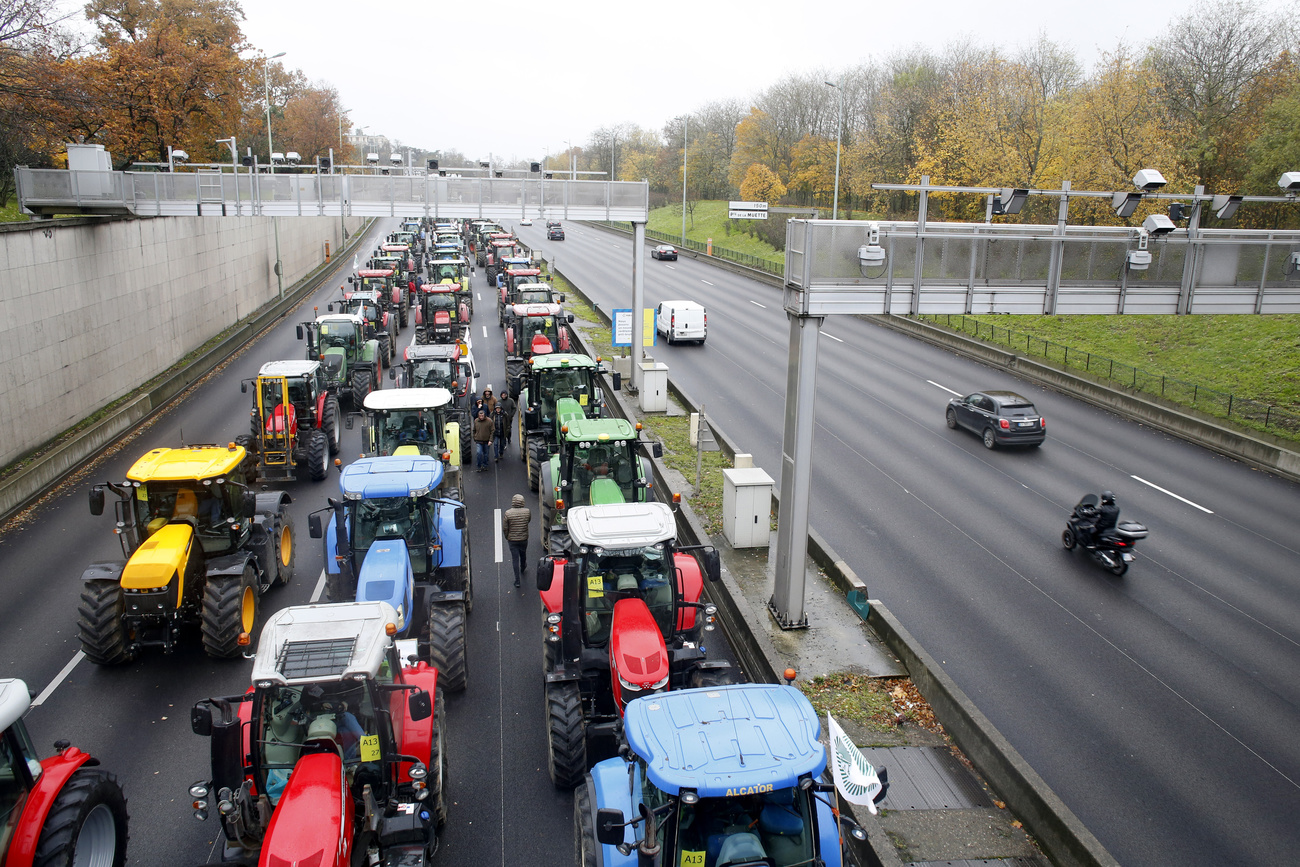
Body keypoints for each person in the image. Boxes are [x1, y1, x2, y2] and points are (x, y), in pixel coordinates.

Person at [502, 493, 531, 588]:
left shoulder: (508, 513)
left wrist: (507, 537)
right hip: (523, 539)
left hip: (512, 540)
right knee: (523, 554)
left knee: (515, 559)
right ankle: (523, 567)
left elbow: (505, 528)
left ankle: (517, 581)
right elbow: (528, 521)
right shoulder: (527, 511)